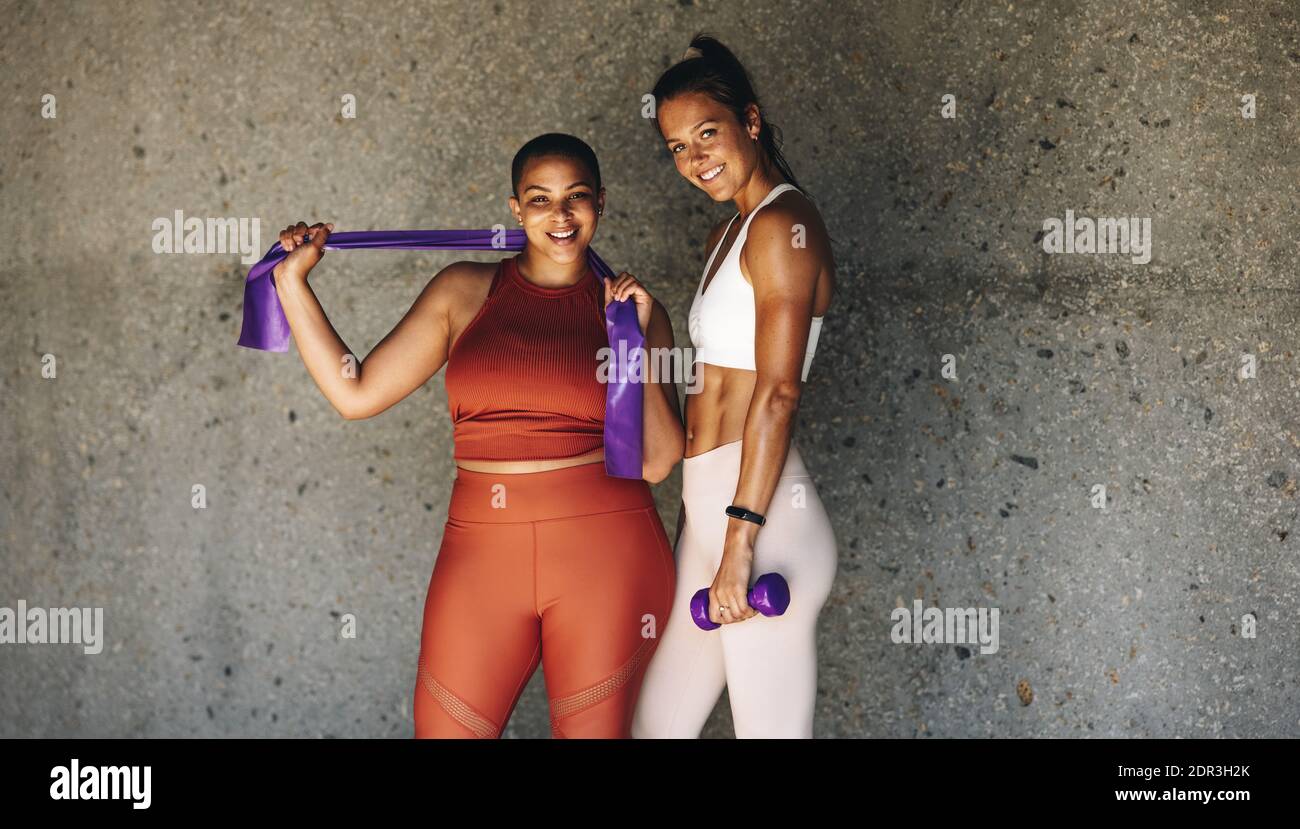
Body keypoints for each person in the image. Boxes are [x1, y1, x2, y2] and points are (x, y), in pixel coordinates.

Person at [271, 133, 685, 738]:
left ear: (601, 201)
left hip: (607, 552)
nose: (561, 215)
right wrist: (292, 284)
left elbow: (659, 462)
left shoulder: (632, 309)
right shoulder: (462, 291)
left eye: (576, 197)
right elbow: (354, 392)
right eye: (540, 199)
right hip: (481, 554)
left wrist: (638, 336)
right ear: (516, 210)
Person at [631, 36, 838, 738]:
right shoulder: (734, 231)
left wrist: (739, 545)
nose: (694, 159)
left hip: (762, 526)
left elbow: (777, 393)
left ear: (750, 121)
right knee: (657, 729)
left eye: (707, 134)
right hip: (713, 517)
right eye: (677, 147)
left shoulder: (785, 224)